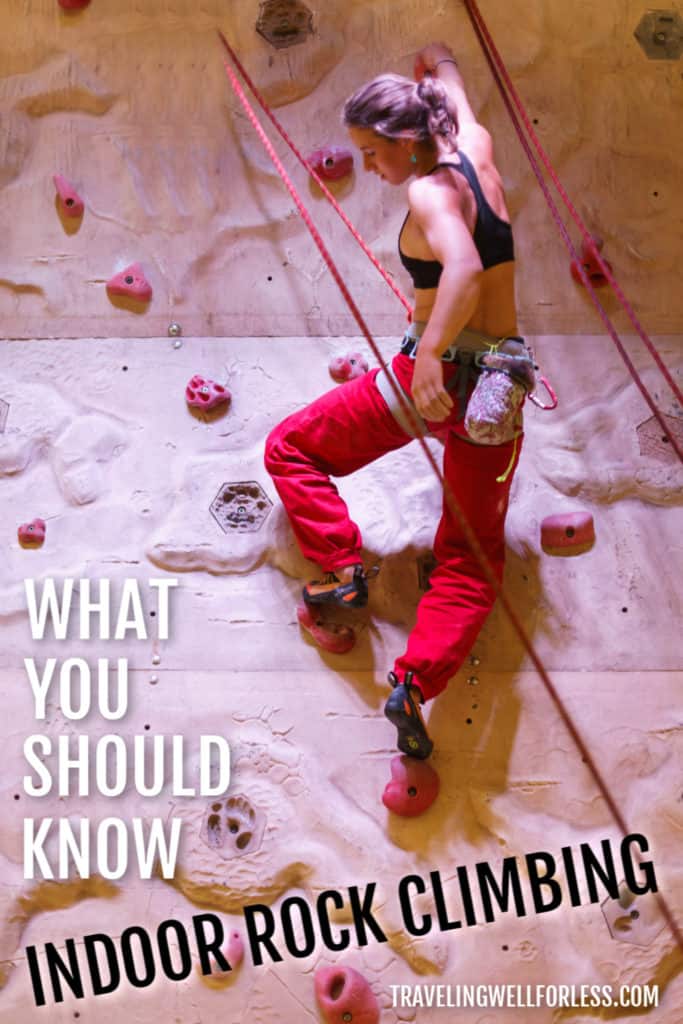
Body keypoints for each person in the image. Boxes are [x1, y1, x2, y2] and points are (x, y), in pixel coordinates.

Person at [265, 42, 523, 760]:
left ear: (405, 142)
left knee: (291, 447)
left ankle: (344, 572)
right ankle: (411, 686)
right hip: (499, 387)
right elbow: (451, 84)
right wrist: (438, 63)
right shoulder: (471, 143)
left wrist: (432, 358)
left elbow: (464, 267)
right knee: (470, 561)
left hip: (431, 379)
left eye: (371, 153)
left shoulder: (426, 189)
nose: (371, 169)